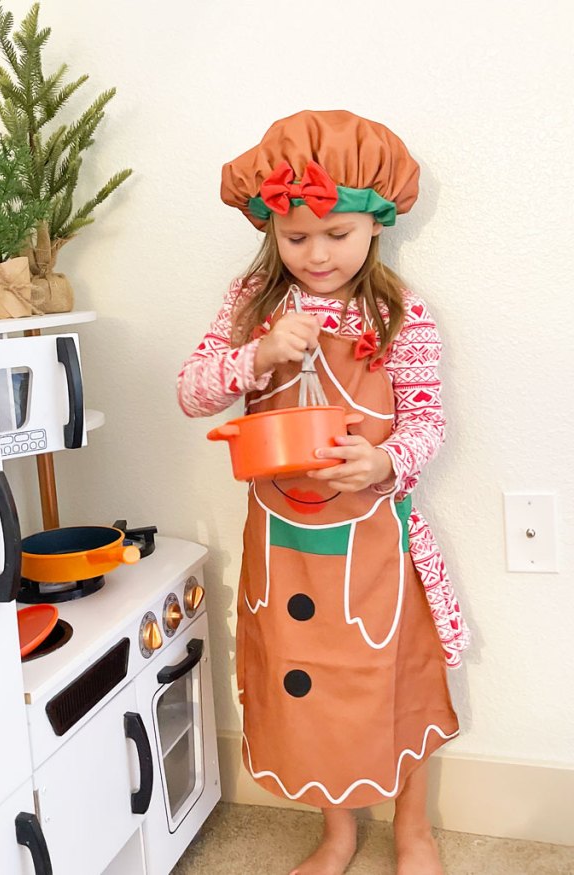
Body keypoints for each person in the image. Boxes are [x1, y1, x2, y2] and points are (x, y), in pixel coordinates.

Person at [177, 110, 470, 875]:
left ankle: (414, 830)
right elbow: (192, 391)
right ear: (269, 228)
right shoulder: (251, 305)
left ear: (375, 225)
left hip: (371, 541)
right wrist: (256, 354)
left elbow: (429, 422)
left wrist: (385, 463)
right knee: (303, 681)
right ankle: (338, 831)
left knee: (390, 679)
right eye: (296, 236)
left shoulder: (401, 315)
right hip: (282, 546)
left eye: (336, 233)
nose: (316, 254)